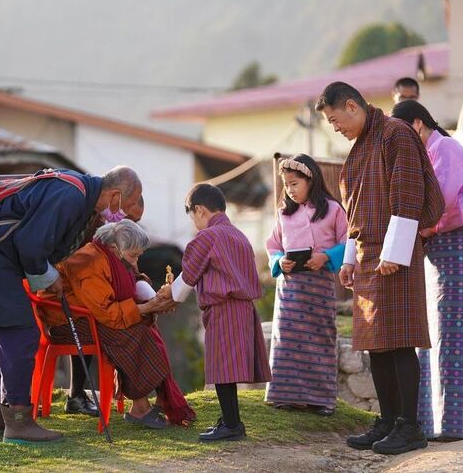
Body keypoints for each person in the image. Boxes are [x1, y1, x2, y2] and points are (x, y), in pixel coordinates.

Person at [0, 166, 142, 444]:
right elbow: (31, 242)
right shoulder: (71, 195)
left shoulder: (77, 191)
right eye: (129, 205)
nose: (125, 214)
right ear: (116, 195)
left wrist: (50, 275)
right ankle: (19, 422)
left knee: (0, 342)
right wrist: (51, 279)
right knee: (21, 336)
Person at [315, 81, 444, 455]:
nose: (335, 127)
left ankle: (410, 427)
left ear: (352, 106)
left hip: (394, 256)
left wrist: (395, 253)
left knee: (401, 340)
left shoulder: (394, 133)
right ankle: (387, 421)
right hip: (370, 254)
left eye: (335, 120)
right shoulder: (359, 150)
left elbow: (408, 194)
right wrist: (351, 261)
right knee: (375, 346)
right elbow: (355, 211)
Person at [39, 219, 196, 429]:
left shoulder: (113, 256)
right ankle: (140, 407)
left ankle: (161, 397)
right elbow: (108, 313)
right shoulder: (89, 261)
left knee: (143, 326)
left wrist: (151, 300)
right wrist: (148, 308)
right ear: (115, 248)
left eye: (138, 256)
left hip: (90, 315)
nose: (135, 263)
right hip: (67, 321)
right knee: (131, 331)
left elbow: (130, 282)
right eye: (133, 256)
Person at [392, 100, 463, 441]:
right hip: (432, 247)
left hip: (458, 244)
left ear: (417, 124)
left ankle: (454, 426)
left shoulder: (446, 146)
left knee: (454, 336)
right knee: (428, 335)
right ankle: (429, 423)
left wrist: (410, 229)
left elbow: (441, 200)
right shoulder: (421, 155)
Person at [158, 183, 271, 441]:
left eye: (192, 216)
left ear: (199, 210)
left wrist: (170, 294)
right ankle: (231, 420)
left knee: (222, 367)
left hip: (223, 307)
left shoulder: (208, 236)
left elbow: (188, 277)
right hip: (245, 307)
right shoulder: (239, 236)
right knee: (227, 367)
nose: (193, 222)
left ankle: (232, 425)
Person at [264, 154, 347, 416]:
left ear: (311, 180)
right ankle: (286, 396)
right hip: (290, 289)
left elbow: (349, 242)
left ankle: (321, 399)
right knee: (287, 338)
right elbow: (273, 246)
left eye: (295, 183)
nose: (290, 189)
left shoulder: (333, 209)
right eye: (286, 184)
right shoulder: (283, 215)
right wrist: (279, 261)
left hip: (319, 286)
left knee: (320, 338)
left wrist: (327, 256)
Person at [64, 194, 145, 417]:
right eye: (130, 218)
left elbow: (129, 269)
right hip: (71, 307)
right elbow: (106, 309)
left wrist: (140, 282)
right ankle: (79, 395)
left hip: (90, 302)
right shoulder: (94, 230)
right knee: (123, 328)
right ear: (119, 202)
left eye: (136, 222)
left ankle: (141, 401)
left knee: (136, 324)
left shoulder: (120, 240)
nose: (132, 225)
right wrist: (142, 308)